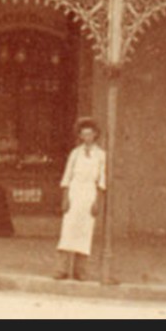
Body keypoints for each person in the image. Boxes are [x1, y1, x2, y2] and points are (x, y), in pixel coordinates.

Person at [54, 117, 107, 281]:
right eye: (84, 135)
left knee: (85, 231)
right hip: (74, 192)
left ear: (95, 135)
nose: (87, 138)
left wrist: (97, 202)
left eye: (90, 134)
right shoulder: (75, 153)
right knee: (68, 230)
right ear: (80, 136)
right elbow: (67, 176)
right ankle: (62, 269)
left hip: (89, 194)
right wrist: (65, 198)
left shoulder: (101, 155)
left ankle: (80, 271)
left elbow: (102, 180)